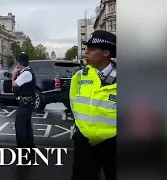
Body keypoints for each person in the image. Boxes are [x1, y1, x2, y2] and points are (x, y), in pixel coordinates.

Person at [69, 30, 117, 180]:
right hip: (85, 142)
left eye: (92, 49)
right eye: (86, 48)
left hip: (115, 143)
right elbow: (73, 103)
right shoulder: (79, 76)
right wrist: (79, 132)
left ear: (106, 52)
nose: (86, 52)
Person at [11, 52, 36, 150]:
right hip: (27, 102)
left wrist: (13, 75)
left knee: (20, 126)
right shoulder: (26, 72)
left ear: (20, 63)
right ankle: (30, 146)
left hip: (25, 103)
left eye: (18, 64)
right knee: (26, 125)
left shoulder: (26, 73)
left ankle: (23, 148)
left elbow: (14, 85)